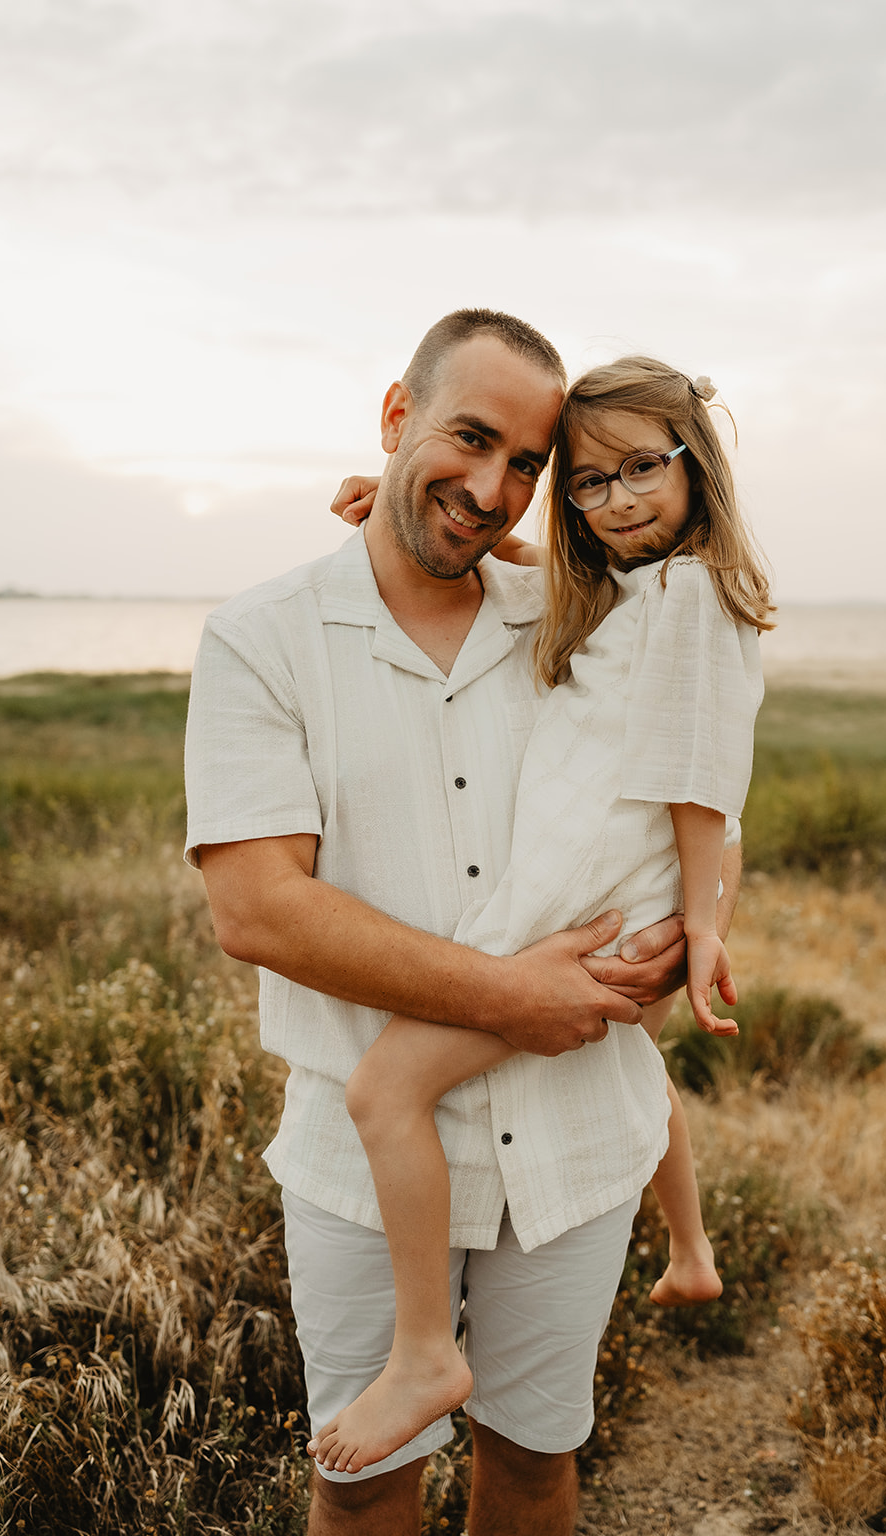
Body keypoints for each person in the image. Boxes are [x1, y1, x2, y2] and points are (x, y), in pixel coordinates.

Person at [183, 308, 744, 1536]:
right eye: (467, 441)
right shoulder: (261, 638)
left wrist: (687, 929)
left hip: (574, 1136)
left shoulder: (568, 613)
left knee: (534, 1456)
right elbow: (256, 911)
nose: (495, 490)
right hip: (358, 1146)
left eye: (527, 466)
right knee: (364, 1481)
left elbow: (688, 781)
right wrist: (516, 994)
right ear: (393, 417)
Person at [306, 355, 772, 1478]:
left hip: (575, 901)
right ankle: (692, 1250)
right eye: (585, 482)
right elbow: (582, 608)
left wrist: (706, 920)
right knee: (632, 1070)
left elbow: (698, 780)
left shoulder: (693, 596)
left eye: (639, 473)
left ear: (694, 467)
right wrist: (422, 521)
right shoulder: (654, 591)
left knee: (383, 1085)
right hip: (598, 893)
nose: (612, 500)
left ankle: (424, 1352)